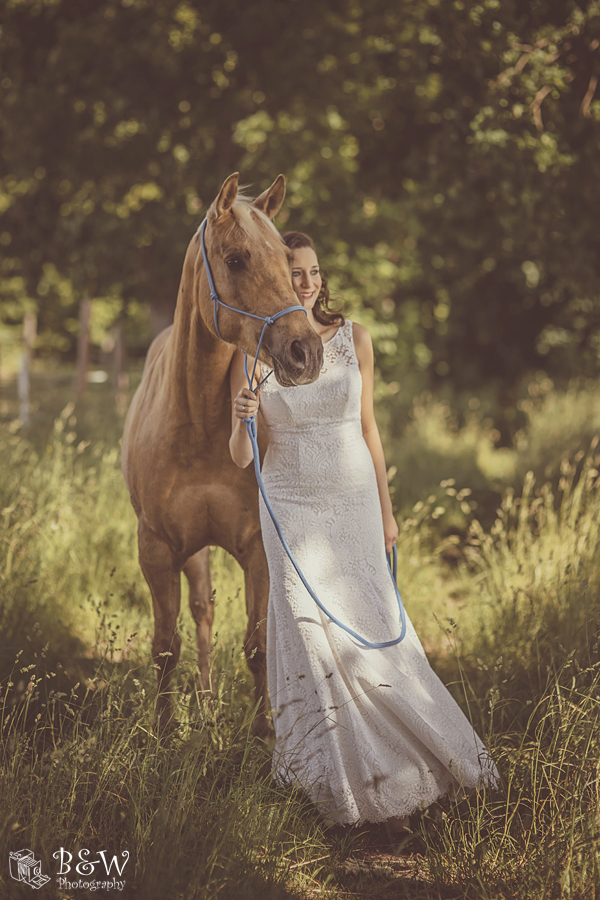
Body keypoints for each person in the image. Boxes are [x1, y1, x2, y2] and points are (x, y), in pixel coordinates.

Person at [229, 231, 498, 827]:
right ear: (277, 278)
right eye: (295, 273)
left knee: (369, 625)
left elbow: (369, 428)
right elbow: (243, 456)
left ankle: (401, 766)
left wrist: (386, 510)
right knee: (304, 628)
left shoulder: (356, 339)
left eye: (313, 272)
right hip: (289, 503)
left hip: (352, 501)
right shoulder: (256, 352)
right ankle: (326, 780)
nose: (307, 283)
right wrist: (240, 416)